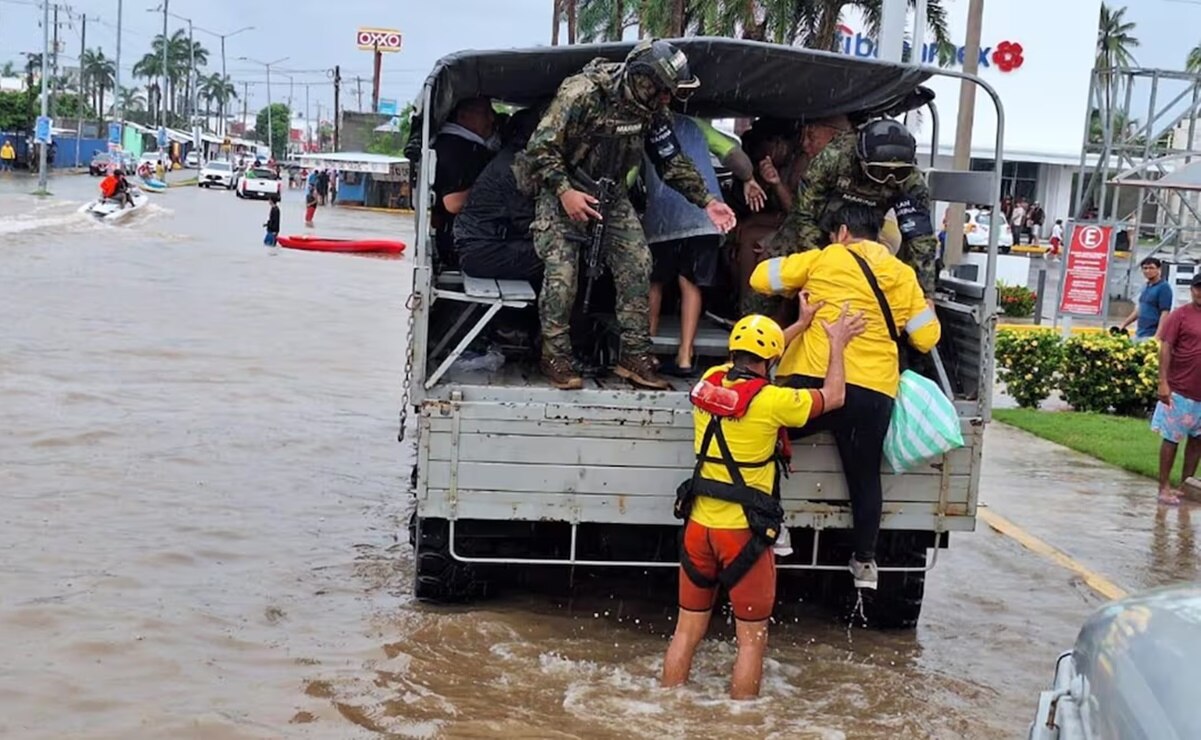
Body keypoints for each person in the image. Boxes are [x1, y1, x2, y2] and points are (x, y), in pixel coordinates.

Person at [515, 39, 737, 390]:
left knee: (638, 264)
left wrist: (707, 200)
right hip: (562, 189)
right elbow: (540, 150)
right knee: (563, 273)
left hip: (611, 194)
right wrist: (564, 191)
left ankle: (634, 356)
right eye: (663, 91)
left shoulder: (652, 110)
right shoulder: (583, 93)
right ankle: (555, 355)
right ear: (642, 79)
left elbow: (671, 160)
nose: (667, 100)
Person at [662, 310, 860, 699]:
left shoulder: (707, 383)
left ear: (732, 352)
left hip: (698, 529)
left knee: (686, 631)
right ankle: (744, 723)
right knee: (751, 640)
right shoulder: (774, 401)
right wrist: (837, 343)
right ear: (770, 359)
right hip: (743, 538)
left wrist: (800, 325)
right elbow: (835, 396)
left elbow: (757, 353)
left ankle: (667, 707)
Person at [749, 205, 942, 589]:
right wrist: (927, 310)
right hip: (873, 391)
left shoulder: (826, 257)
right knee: (865, 472)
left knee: (767, 439)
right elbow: (926, 337)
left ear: (841, 231)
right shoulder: (902, 275)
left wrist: (795, 277)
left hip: (816, 381)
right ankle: (866, 562)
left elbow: (760, 278)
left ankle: (777, 528)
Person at [759, 118, 939, 305]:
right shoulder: (834, 158)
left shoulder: (911, 182)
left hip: (865, 236)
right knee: (773, 273)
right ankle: (752, 320)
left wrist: (925, 295)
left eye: (897, 173)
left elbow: (920, 238)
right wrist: (821, 260)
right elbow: (804, 212)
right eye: (879, 171)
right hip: (817, 224)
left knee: (866, 285)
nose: (888, 178)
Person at [644, 114, 766, 376]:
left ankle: (647, 353)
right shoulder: (695, 124)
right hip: (706, 216)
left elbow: (629, 173)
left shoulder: (644, 125)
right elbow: (731, 152)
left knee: (654, 282)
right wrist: (749, 178)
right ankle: (685, 356)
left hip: (663, 216)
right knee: (690, 283)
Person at [453, 108, 545, 283]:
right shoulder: (514, 167)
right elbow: (526, 220)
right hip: (485, 250)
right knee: (562, 259)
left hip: (483, 245)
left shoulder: (512, 158)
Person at [433, 96, 499, 268]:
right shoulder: (458, 148)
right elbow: (453, 203)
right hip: (464, 243)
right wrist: (493, 187)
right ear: (462, 116)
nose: (492, 119)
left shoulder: (459, 145)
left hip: (459, 238)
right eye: (486, 113)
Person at [1153, 273, 1201, 506]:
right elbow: (1166, 348)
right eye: (1198, 288)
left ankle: (1185, 485)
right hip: (1179, 390)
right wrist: (1163, 382)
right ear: (1192, 290)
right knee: (1171, 439)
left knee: (1197, 441)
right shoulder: (1180, 316)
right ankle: (1164, 486)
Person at [1118, 257, 1174, 342]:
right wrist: (1123, 325)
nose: (1148, 271)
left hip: (1151, 335)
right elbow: (1140, 309)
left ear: (1159, 269)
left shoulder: (1164, 287)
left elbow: (1165, 313)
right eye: (1145, 268)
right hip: (1140, 333)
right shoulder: (1146, 286)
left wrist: (1157, 336)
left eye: (1151, 268)